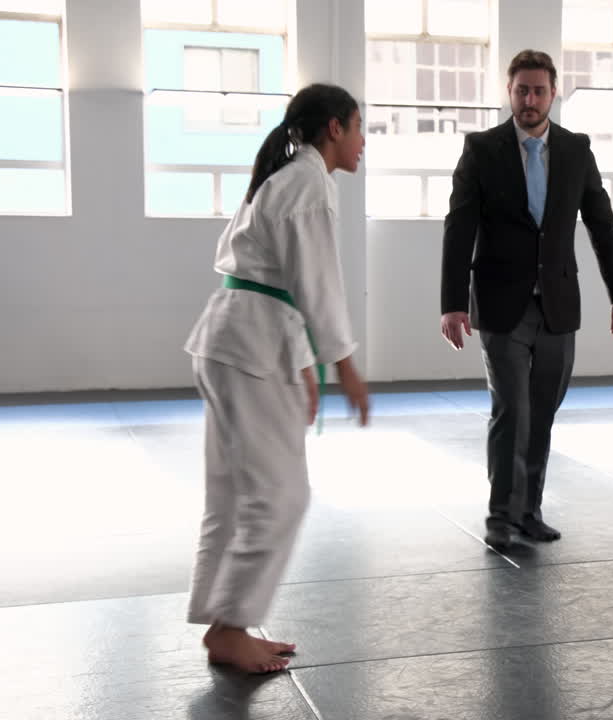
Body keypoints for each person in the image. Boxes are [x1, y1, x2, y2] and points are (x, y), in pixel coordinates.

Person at [184, 83, 372, 672]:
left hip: (233, 338)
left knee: (232, 494)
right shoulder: (309, 182)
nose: (364, 142)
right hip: (251, 346)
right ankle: (231, 624)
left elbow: (283, 277)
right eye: (360, 128)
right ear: (335, 128)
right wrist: (344, 366)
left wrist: (304, 366)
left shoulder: (286, 175)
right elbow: (316, 284)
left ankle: (223, 622)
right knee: (283, 495)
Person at [440, 49, 613, 550]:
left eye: (539, 90)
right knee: (512, 411)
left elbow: (601, 225)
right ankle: (501, 516)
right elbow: (459, 228)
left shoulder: (576, 149)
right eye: (522, 90)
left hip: (557, 306)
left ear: (554, 94)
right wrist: (452, 302)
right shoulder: (482, 150)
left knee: (542, 412)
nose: (530, 99)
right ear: (510, 92)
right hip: (502, 307)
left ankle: (529, 511)